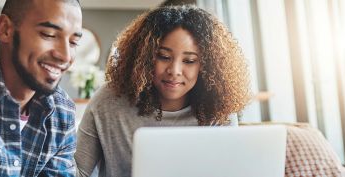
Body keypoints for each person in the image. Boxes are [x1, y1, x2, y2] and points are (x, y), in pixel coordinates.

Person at [75, 5, 251, 177]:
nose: (174, 70)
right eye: (164, 57)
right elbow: (78, 171)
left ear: (206, 66)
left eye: (189, 60)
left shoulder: (218, 110)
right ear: (144, 57)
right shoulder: (109, 100)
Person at [0, 0, 82, 176]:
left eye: (73, 42)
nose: (65, 56)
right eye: (48, 34)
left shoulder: (63, 112)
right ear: (5, 29)